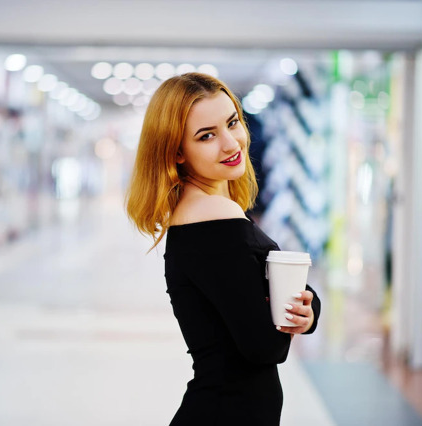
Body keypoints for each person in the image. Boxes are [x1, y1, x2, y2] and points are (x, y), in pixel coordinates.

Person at [125, 73, 321, 425]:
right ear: (177, 152)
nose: (232, 144)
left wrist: (305, 310)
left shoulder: (199, 213)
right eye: (207, 136)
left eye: (232, 123)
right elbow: (265, 347)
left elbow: (255, 305)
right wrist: (289, 311)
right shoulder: (215, 218)